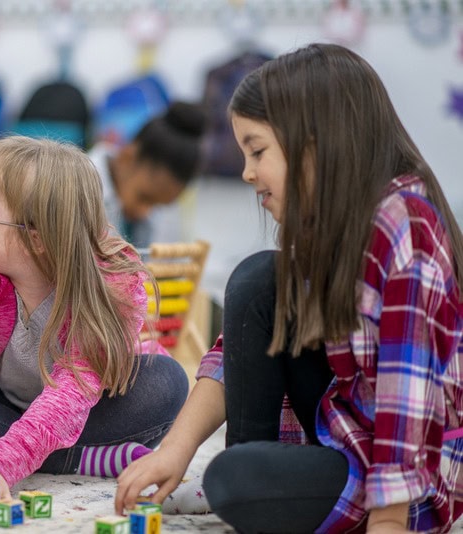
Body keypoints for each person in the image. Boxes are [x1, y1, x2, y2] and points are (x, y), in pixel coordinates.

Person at [114, 43, 463, 533]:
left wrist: (387, 522)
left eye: (257, 151)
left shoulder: (404, 223)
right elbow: (232, 350)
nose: (247, 172)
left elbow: (407, 401)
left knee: (236, 480)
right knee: (259, 280)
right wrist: (175, 450)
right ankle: (248, 479)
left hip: (406, 482)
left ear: (315, 142)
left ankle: (247, 486)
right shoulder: (325, 229)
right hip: (343, 435)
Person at [0, 135, 189, 500]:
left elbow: (72, 395)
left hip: (87, 410)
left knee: (166, 383)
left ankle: (54, 454)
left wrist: (4, 462)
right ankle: (85, 460)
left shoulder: (115, 284)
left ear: (37, 237)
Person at [88, 101, 206, 249]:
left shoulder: (163, 210)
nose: (145, 212)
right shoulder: (76, 192)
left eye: (158, 205)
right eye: (144, 198)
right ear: (127, 157)